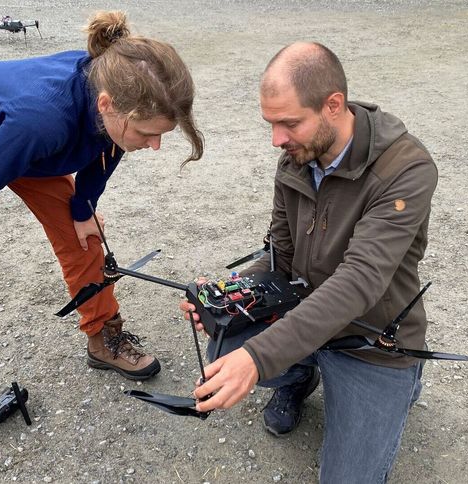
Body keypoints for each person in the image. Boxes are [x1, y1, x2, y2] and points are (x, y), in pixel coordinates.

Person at [0, 11, 203, 480]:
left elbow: (105, 151)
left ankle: (103, 338)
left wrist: (82, 208)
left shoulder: (109, 97)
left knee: (86, 241)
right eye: (147, 133)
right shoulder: (44, 116)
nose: (154, 146)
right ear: (109, 105)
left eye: (161, 134)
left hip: (23, 146)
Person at [180, 42, 435, 482]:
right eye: (271, 123)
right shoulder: (297, 157)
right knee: (222, 345)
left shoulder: (405, 169)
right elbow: (278, 255)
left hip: (369, 340)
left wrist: (259, 357)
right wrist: (227, 293)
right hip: (303, 311)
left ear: (333, 105)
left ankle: (403, 380)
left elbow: (358, 282)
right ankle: (301, 374)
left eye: (289, 123)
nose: (277, 139)